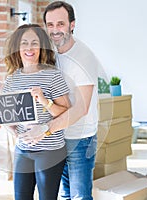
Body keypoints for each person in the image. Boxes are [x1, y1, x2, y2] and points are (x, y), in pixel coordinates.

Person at [22, 1, 102, 199]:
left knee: (79, 196)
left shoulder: (83, 57)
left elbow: (81, 107)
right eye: (50, 25)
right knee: (64, 195)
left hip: (80, 138)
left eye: (60, 24)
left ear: (72, 24)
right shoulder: (52, 54)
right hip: (58, 137)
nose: (55, 30)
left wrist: (46, 128)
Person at [0, 24, 71, 200]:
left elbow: (67, 112)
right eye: (24, 43)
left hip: (50, 151)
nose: (29, 48)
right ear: (18, 48)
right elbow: (12, 121)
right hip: (23, 150)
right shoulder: (12, 79)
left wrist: (45, 101)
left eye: (34, 43)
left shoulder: (52, 75)